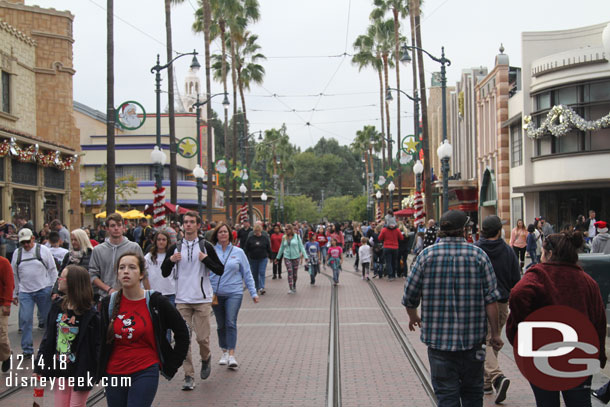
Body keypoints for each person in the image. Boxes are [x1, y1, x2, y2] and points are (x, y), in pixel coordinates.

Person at [402, 210, 503, 406]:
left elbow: (409, 296)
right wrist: (496, 333)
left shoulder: (426, 256)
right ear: (464, 230)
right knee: (473, 393)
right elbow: (491, 300)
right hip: (473, 342)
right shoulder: (479, 256)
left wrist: (413, 316)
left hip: (439, 343)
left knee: (446, 396)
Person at [506, 231, 606, 407]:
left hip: (542, 355)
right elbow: (598, 319)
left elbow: (518, 294)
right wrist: (599, 355)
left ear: (550, 254)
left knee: (546, 402)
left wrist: (523, 327)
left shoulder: (538, 275)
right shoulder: (587, 281)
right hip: (579, 355)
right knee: (580, 402)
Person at [98, 252, 190, 406]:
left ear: (141, 274)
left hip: (145, 370)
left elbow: (182, 333)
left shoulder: (156, 302)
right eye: (122, 268)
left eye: (132, 267)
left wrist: (171, 365)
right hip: (114, 372)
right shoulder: (109, 303)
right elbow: (99, 339)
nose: (126, 271)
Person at [160, 211, 224, 390]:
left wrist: (206, 260)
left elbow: (220, 269)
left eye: (191, 222)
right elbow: (164, 272)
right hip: (182, 300)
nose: (188, 225)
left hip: (202, 298)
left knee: (202, 338)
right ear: (182, 225)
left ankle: (206, 357)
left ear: (198, 225)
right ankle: (189, 376)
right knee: (184, 339)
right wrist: (171, 260)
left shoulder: (206, 246)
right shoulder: (175, 247)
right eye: (185, 222)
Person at [35, 265, 100, 407]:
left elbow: (97, 346)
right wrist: (39, 367)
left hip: (82, 370)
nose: (59, 280)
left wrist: (97, 372)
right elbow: (48, 340)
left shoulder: (90, 314)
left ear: (73, 282)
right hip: (61, 369)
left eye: (62, 277)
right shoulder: (57, 306)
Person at [474, 215, 521, 403]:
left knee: (485, 341)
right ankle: (493, 378)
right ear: (498, 231)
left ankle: (493, 378)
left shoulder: (476, 250)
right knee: (493, 339)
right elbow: (515, 281)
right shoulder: (508, 251)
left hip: (478, 303)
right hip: (501, 303)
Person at [210, 223, 259, 369]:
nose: (223, 234)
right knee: (221, 324)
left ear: (230, 234)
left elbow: (247, 273)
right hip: (216, 294)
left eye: (225, 232)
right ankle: (224, 351)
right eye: (220, 232)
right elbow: (205, 273)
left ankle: (231, 354)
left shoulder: (238, 252)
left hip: (234, 292)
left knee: (230, 321)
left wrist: (253, 292)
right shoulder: (211, 251)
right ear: (216, 235)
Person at [12, 228, 58, 358]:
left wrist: (54, 289)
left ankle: (50, 347)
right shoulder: (17, 253)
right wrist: (14, 293)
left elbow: (53, 270)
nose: (26, 245)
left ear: (33, 238)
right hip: (25, 292)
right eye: (23, 243)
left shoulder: (43, 250)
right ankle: (27, 349)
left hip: (43, 289)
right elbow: (14, 274)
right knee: (25, 320)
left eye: (27, 241)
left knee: (48, 319)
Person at [89, 213, 145, 301]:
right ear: (107, 228)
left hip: (130, 297)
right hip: (106, 297)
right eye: (112, 225)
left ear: (123, 227)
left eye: (119, 225)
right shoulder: (98, 250)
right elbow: (92, 275)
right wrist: (108, 289)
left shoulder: (134, 247)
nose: (116, 228)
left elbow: (143, 271)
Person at [53, 229, 94, 299]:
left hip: (84, 294)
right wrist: (55, 291)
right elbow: (60, 275)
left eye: (76, 240)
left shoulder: (91, 255)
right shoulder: (68, 256)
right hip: (67, 294)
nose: (73, 242)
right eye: (72, 240)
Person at [145, 230, 175, 306]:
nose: (161, 242)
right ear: (155, 241)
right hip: (155, 293)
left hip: (170, 293)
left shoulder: (172, 255)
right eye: (159, 239)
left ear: (167, 241)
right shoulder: (149, 257)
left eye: (164, 240)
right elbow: (144, 275)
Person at [275, 224, 308, 294]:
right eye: (285, 229)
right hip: (287, 257)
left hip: (296, 257)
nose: (286, 231)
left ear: (291, 230)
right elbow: (281, 248)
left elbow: (301, 247)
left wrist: (305, 256)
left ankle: (294, 285)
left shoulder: (297, 237)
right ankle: (291, 288)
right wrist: (277, 258)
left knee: (294, 274)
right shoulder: (284, 237)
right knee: (290, 272)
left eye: (287, 229)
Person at [243, 224, 272, 295]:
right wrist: (244, 257)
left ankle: (262, 287)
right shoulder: (250, 238)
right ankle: (256, 287)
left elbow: (268, 248)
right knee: (254, 273)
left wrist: (271, 257)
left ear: (261, 231)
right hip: (253, 258)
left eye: (258, 231)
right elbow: (246, 248)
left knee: (261, 272)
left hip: (263, 258)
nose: (257, 233)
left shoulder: (264, 238)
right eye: (255, 231)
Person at [0, 255, 14, 372]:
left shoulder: (3, 262)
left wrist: (7, 303)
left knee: (1, 337)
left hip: (1, 305)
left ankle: (6, 355)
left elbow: (9, 284)